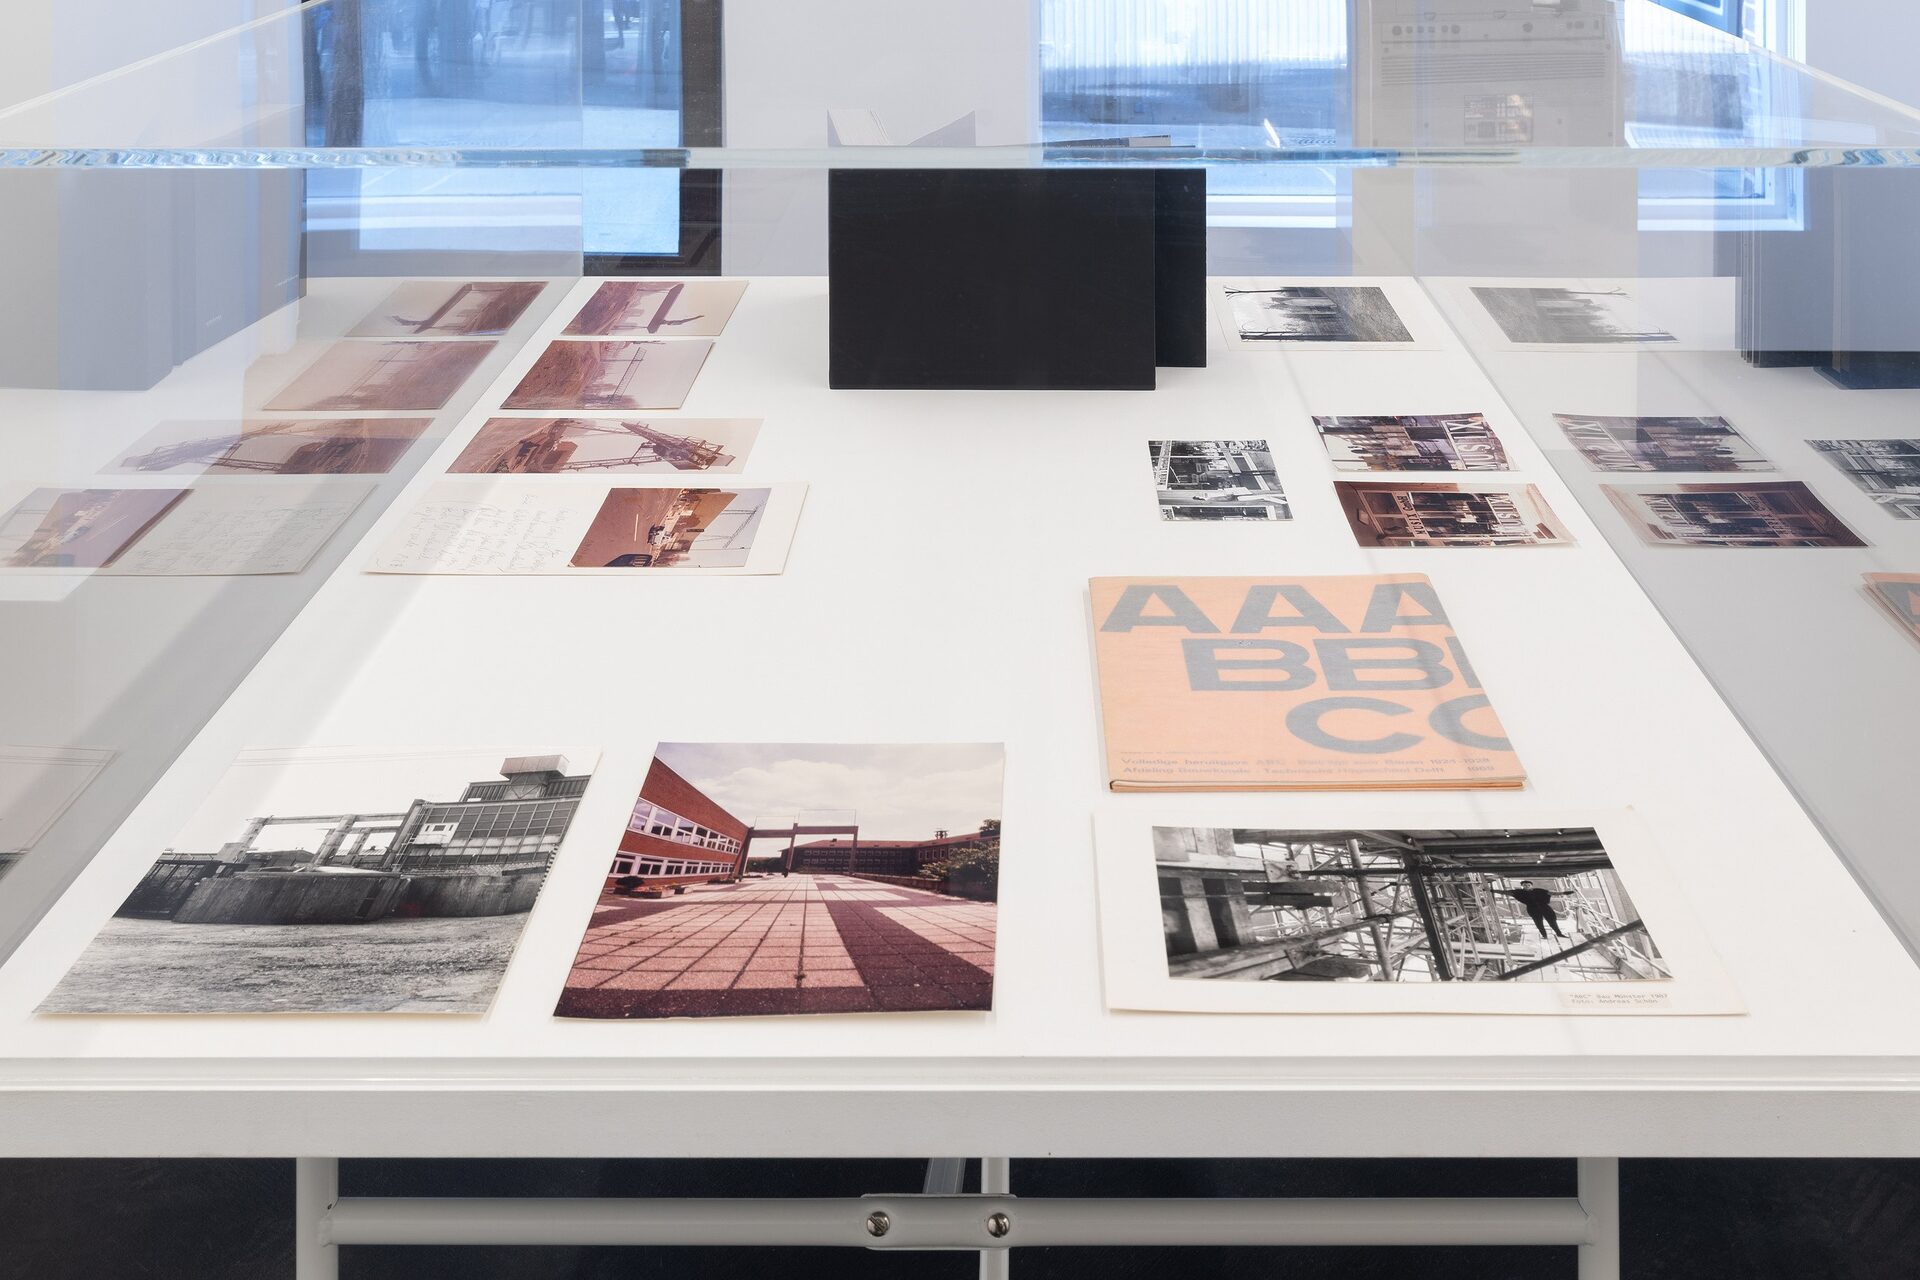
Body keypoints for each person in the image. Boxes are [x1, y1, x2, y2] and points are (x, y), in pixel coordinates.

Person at [1496, 880, 1574, 941]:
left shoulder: (1539, 890)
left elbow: (1552, 893)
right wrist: (1494, 890)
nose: (1527, 886)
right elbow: (1505, 892)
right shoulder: (1519, 892)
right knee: (1538, 923)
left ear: (1531, 886)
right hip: (1532, 909)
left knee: (1552, 921)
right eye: (1525, 885)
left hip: (1545, 907)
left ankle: (1559, 933)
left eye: (1528, 885)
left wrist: (1564, 893)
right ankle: (1544, 935)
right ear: (1522, 886)